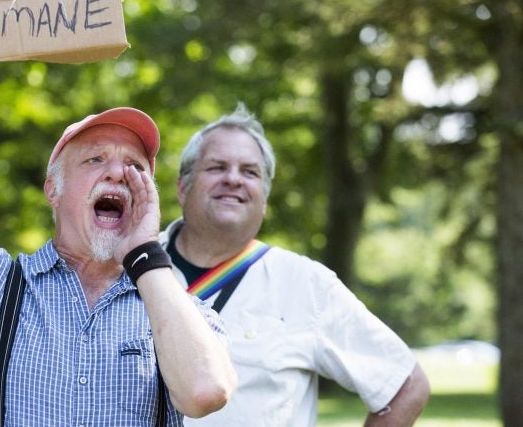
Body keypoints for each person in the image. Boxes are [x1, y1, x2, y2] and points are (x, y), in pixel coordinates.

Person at [0, 0, 236, 427]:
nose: (117, 173)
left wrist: (145, 254)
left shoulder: (177, 309)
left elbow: (206, 392)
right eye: (95, 160)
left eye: (134, 166)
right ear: (53, 190)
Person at [159, 102, 431, 426]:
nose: (233, 179)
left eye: (250, 172)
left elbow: (405, 384)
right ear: (182, 186)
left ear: (264, 197)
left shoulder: (306, 285)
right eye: (217, 167)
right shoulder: (126, 269)